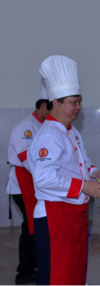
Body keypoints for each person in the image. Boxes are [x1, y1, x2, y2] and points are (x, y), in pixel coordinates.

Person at [28, 55, 100, 286]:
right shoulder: (49, 135)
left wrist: (94, 173)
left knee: (73, 273)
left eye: (79, 102)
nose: (78, 108)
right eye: (73, 102)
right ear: (55, 102)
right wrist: (85, 186)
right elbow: (44, 178)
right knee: (56, 275)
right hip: (55, 216)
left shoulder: (70, 131)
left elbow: (81, 162)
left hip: (72, 214)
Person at [6, 78, 49, 284]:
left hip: (35, 182)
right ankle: (31, 267)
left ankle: (26, 269)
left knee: (29, 226)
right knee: (33, 226)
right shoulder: (26, 128)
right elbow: (28, 162)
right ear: (43, 106)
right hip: (22, 184)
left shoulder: (46, 125)